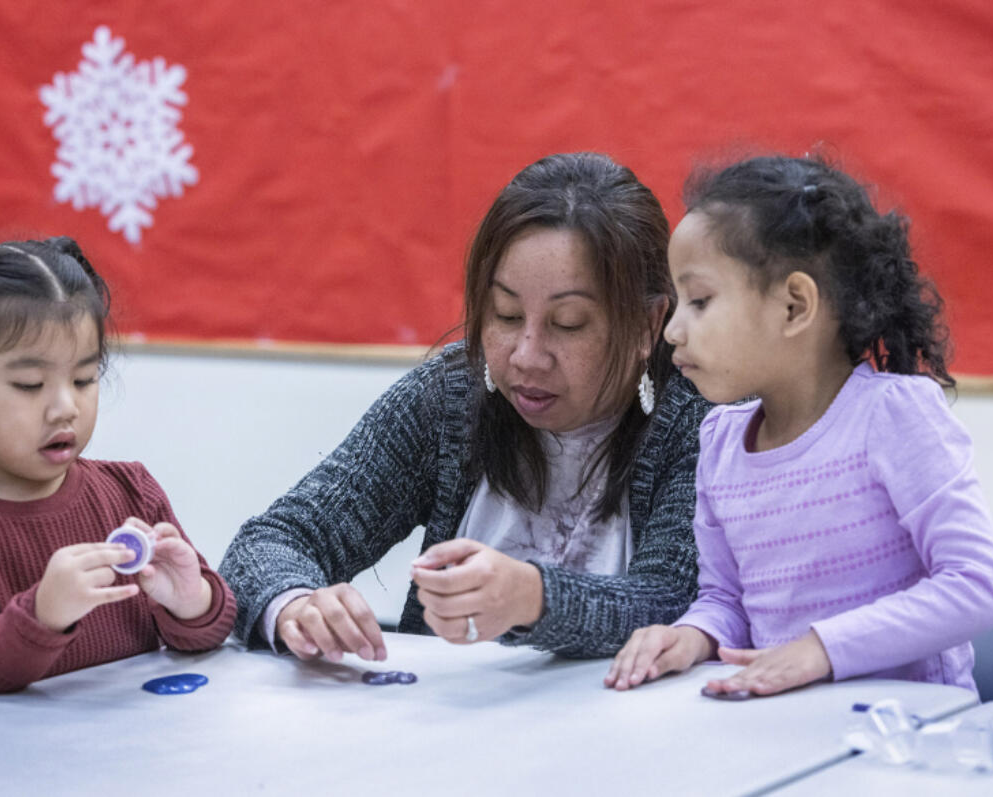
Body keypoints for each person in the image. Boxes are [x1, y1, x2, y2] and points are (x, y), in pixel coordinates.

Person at [219, 152, 711, 662]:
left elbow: (675, 603)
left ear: (648, 325)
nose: (526, 355)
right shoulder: (453, 395)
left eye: (568, 323)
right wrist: (296, 604)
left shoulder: (702, 415)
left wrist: (531, 598)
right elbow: (272, 541)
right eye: (505, 314)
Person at [606, 155, 993, 696]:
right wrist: (690, 636)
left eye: (699, 301)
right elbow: (726, 601)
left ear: (795, 306)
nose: (673, 331)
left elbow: (977, 587)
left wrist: (820, 650)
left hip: (907, 736)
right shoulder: (721, 440)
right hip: (785, 726)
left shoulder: (892, 417)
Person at [0, 237, 237, 708]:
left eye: (84, 380)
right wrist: (42, 615)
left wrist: (192, 601)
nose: (65, 407)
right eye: (30, 385)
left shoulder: (132, 490)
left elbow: (204, 636)